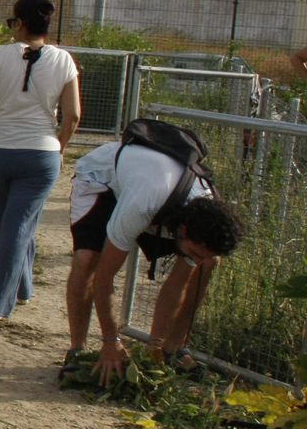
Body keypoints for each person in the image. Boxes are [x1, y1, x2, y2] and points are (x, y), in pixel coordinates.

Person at [61, 137, 244, 383]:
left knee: (207, 266)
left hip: (162, 196)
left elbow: (177, 286)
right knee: (87, 260)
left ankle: (171, 349)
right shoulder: (142, 204)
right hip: (102, 180)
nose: (197, 259)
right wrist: (110, 341)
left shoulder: (204, 212)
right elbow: (104, 279)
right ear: (183, 231)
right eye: (196, 253)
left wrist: (153, 346)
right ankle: (76, 350)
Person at [0, 0, 82, 324]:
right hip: (40, 154)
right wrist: (60, 147)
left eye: (12, 22)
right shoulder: (64, 61)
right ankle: (18, 289)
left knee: (4, 225)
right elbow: (73, 116)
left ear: (21, 23)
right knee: (17, 225)